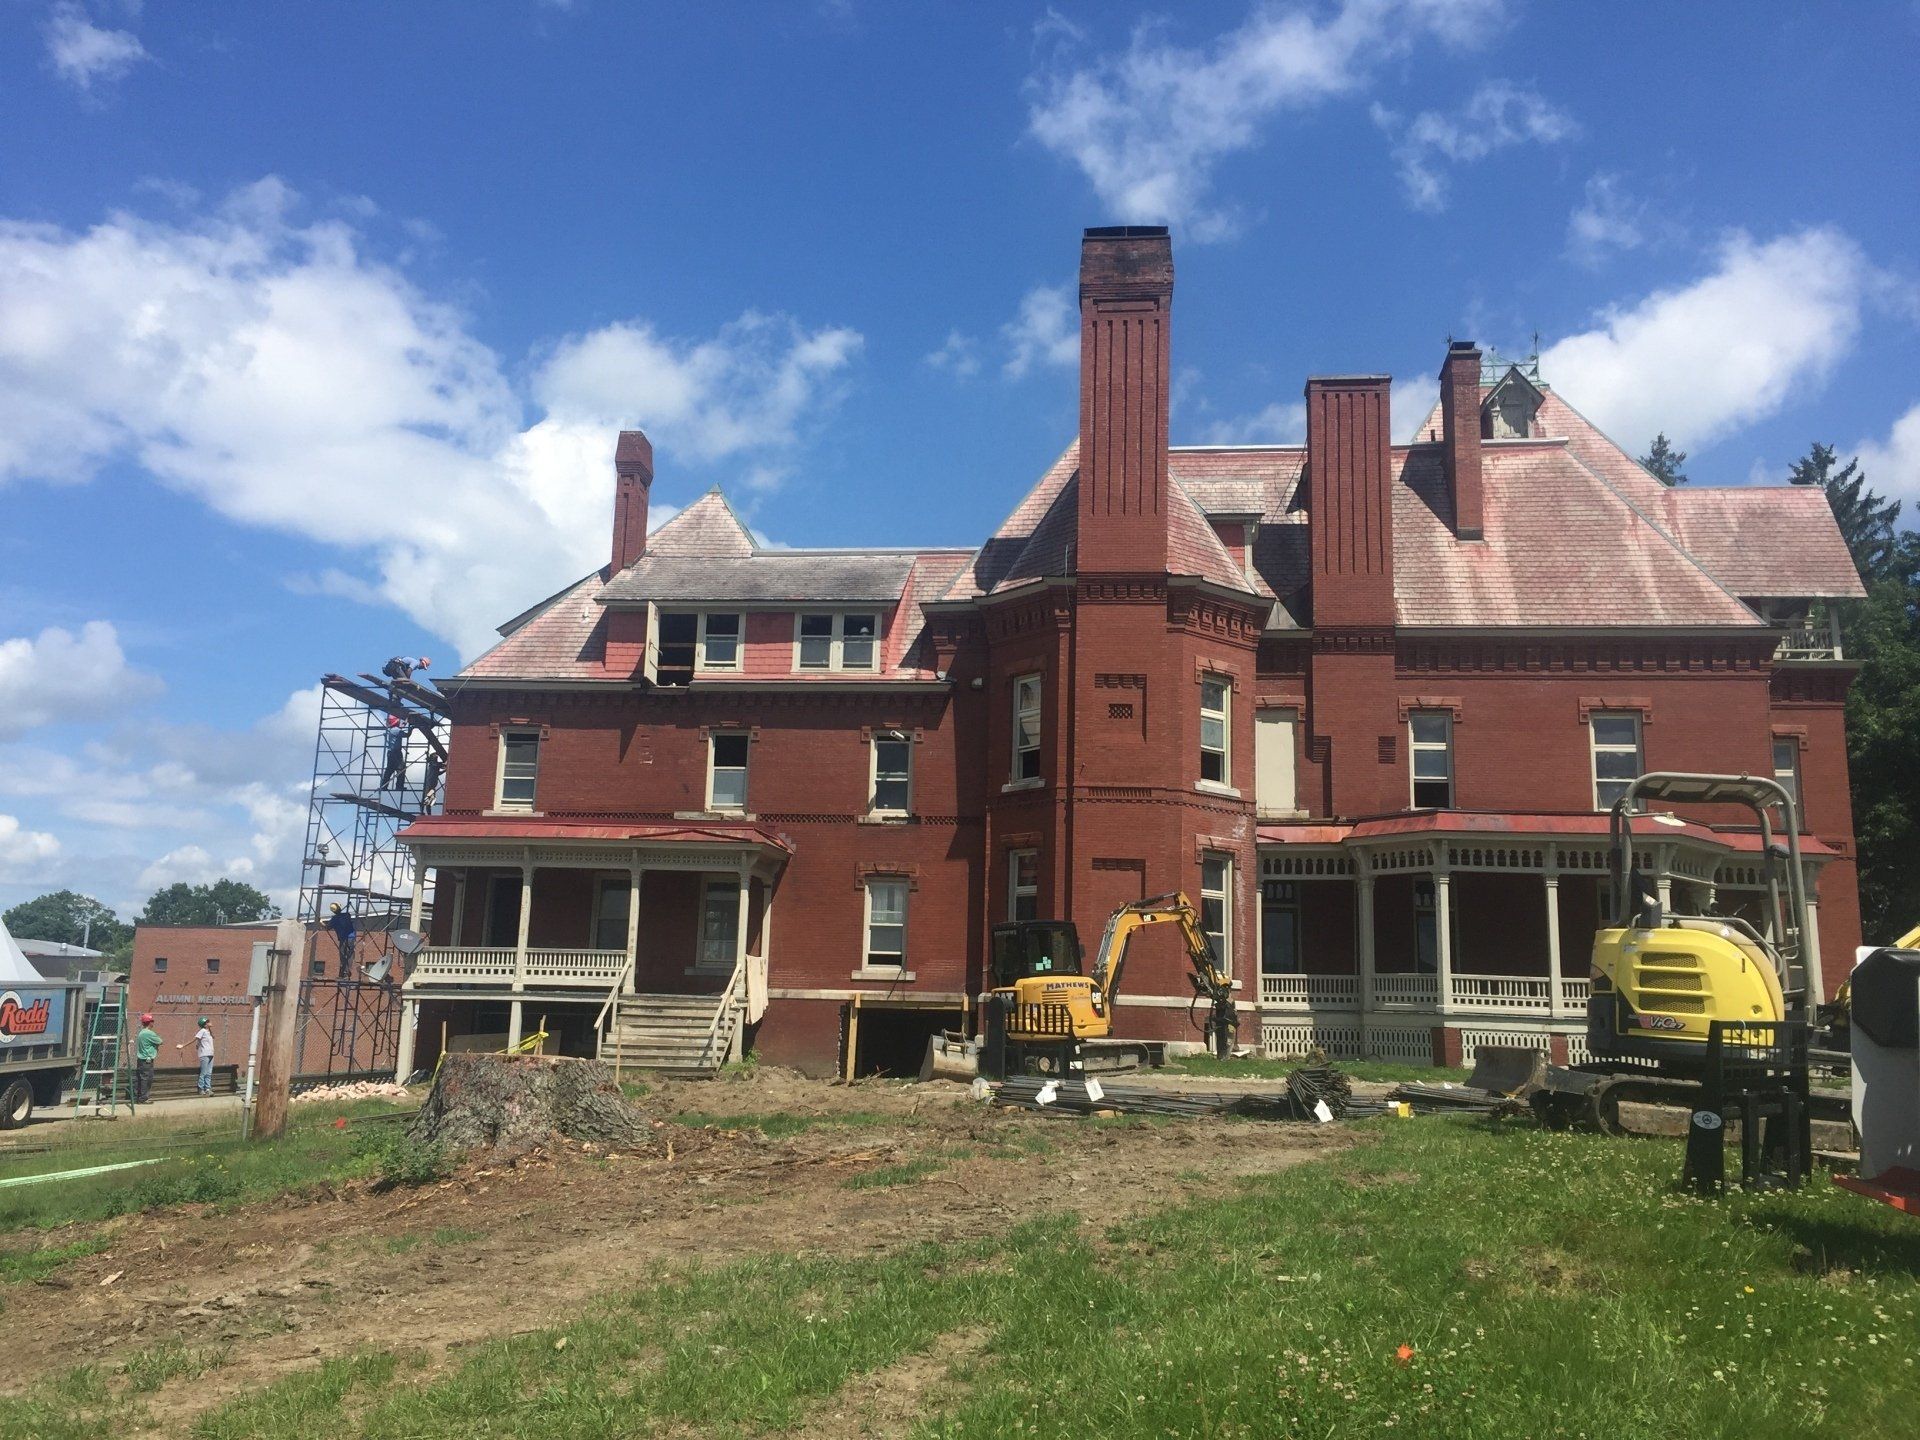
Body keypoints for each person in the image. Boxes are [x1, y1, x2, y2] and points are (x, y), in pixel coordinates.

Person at [177, 1017, 214, 1096]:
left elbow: (202, 1041)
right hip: (204, 1054)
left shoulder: (209, 1032)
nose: (210, 1022)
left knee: (209, 1073)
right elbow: (194, 1039)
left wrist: (198, 1044)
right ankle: (201, 1089)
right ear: (205, 1024)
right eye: (207, 1021)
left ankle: (208, 1089)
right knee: (204, 1073)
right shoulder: (202, 1031)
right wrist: (183, 1045)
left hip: (211, 1054)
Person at [133, 1013, 161, 1103]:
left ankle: (137, 1097)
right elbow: (160, 1041)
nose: (153, 1023)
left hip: (141, 1059)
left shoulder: (141, 1032)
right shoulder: (149, 1033)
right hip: (147, 1060)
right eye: (152, 1021)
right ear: (150, 1022)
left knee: (140, 1078)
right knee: (147, 1079)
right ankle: (143, 1098)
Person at [326, 902, 357, 978]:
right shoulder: (347, 915)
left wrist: (321, 922)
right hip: (351, 938)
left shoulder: (334, 919)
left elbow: (327, 927)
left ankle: (345, 973)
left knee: (343, 956)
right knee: (349, 955)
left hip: (343, 939)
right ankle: (346, 972)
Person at [379, 715, 408, 791]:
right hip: (396, 753)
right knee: (401, 769)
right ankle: (399, 786)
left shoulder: (393, 729)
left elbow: (401, 726)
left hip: (391, 753)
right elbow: (407, 735)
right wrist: (411, 729)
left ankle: (384, 786)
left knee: (389, 769)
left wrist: (406, 720)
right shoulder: (396, 730)